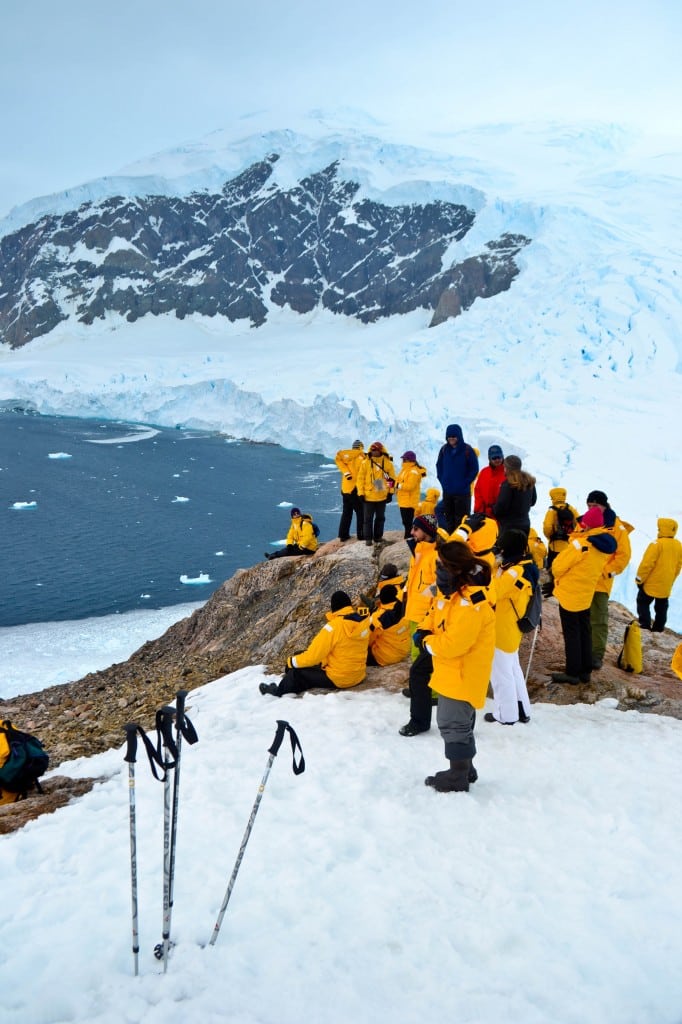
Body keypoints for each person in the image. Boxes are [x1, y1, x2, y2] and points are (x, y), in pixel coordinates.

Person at [400, 540, 495, 795]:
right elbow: (434, 613)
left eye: (440, 564)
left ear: (453, 567)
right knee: (458, 722)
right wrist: (422, 629)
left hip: (462, 672)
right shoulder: (453, 593)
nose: (437, 568)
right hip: (451, 671)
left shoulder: (470, 603)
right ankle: (466, 768)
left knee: (452, 723)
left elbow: (454, 644)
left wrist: (427, 642)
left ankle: (458, 775)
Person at [550, 506, 617, 685]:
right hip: (587, 593)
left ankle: (573, 672)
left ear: (587, 525)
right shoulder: (604, 545)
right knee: (585, 630)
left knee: (572, 633)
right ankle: (585, 670)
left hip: (570, 593)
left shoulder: (582, 545)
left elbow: (558, 567)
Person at [259, 591, 370, 696]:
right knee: (301, 655)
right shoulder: (363, 621)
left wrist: (291, 662)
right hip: (358, 675)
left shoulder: (332, 628)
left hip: (339, 678)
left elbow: (313, 657)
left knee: (296, 672)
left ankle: (278, 692)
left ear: (333, 607)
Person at [484, 529, 535, 725]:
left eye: (500, 544)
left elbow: (493, 592)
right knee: (512, 670)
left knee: (500, 674)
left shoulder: (514, 572)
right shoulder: (522, 564)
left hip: (502, 629)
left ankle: (506, 716)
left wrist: (492, 559)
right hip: (510, 627)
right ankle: (522, 709)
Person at [584, 490, 633, 669]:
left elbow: (623, 556)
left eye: (595, 505)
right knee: (582, 617)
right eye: (589, 506)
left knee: (598, 619)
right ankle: (583, 651)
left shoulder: (616, 528)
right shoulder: (585, 522)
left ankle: (596, 655)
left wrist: (605, 572)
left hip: (600, 582)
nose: (591, 509)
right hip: (582, 580)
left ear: (604, 505)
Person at [635, 518, 682, 632]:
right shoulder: (678, 545)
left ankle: (645, 625)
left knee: (643, 602)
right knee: (662, 607)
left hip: (651, 582)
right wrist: (671, 579)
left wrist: (639, 579)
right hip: (666, 583)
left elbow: (646, 564)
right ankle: (659, 628)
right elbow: (678, 566)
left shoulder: (656, 544)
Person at [435, 424, 479, 533]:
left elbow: (474, 469)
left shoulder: (467, 450)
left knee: (462, 520)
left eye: (454, 436)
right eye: (449, 436)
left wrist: (464, 483)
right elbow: (439, 466)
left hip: (462, 493)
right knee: (449, 519)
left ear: (459, 436)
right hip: (448, 492)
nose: (451, 438)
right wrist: (443, 481)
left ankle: (461, 545)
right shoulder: (444, 450)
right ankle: (450, 542)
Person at [356, 442, 396, 546]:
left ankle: (378, 537)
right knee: (367, 519)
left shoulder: (387, 463)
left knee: (380, 518)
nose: (373, 452)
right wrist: (360, 493)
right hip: (368, 496)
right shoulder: (365, 463)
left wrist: (390, 493)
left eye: (375, 450)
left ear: (380, 450)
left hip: (382, 496)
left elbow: (391, 479)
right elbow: (360, 479)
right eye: (372, 450)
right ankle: (368, 539)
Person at [542, 487, 579, 596]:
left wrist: (550, 537)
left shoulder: (551, 511)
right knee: (567, 569)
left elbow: (547, 527)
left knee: (553, 568)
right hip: (569, 545)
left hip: (555, 546)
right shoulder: (571, 509)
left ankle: (552, 590)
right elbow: (580, 523)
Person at [367, 584, 411, 666]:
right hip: (404, 650)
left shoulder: (378, 617)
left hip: (385, 657)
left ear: (381, 599)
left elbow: (368, 640)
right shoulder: (405, 608)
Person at [493, 455, 537, 536]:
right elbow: (533, 501)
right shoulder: (529, 482)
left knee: (506, 548)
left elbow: (501, 507)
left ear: (507, 468)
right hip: (525, 524)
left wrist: (494, 509)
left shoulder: (508, 485)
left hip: (508, 526)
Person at [334, 440, 366, 541]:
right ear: (361, 447)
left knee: (346, 512)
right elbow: (362, 475)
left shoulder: (345, 457)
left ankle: (343, 535)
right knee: (361, 512)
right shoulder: (360, 459)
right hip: (354, 489)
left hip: (345, 489)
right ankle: (361, 535)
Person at [395, 450, 427, 538]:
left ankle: (409, 537)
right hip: (403, 500)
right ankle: (409, 536)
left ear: (409, 460)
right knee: (406, 521)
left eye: (404, 459)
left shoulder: (413, 472)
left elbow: (410, 486)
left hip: (409, 501)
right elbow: (398, 481)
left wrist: (397, 485)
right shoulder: (405, 470)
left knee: (407, 521)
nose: (403, 461)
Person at [473, 444, 506, 517]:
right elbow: (478, 492)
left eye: (499, 457)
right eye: (494, 458)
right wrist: (479, 511)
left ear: (503, 456)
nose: (497, 460)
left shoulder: (508, 473)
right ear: (489, 459)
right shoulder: (484, 472)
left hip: (503, 517)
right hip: (484, 514)